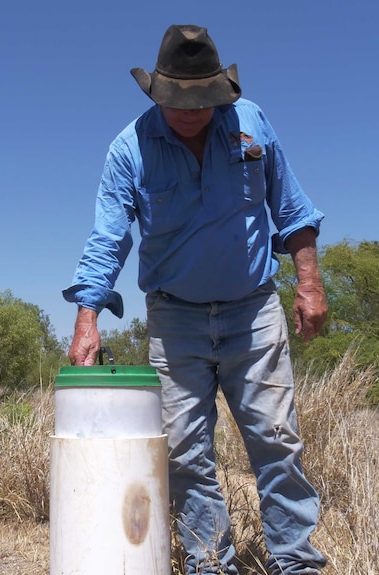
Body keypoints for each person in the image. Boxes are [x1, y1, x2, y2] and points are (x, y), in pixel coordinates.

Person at [62, 24, 327, 575]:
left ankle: (296, 562)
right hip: (175, 318)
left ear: (220, 92)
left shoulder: (252, 124)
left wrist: (308, 284)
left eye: (202, 101)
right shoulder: (128, 149)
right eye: (178, 101)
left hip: (253, 311)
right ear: (158, 94)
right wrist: (87, 316)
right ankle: (210, 562)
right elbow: (108, 237)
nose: (190, 111)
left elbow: (293, 210)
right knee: (183, 453)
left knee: (276, 442)